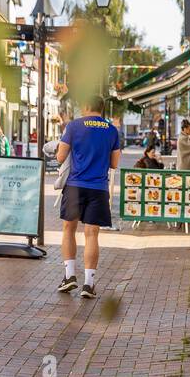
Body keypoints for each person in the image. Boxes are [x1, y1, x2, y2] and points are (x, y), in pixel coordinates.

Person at [55, 97, 122, 299]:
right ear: (102, 109)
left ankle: (69, 276)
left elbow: (60, 157)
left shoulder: (74, 126)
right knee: (91, 234)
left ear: (85, 106)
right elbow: (114, 163)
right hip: (98, 188)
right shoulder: (111, 130)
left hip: (75, 186)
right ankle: (89, 284)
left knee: (69, 229)